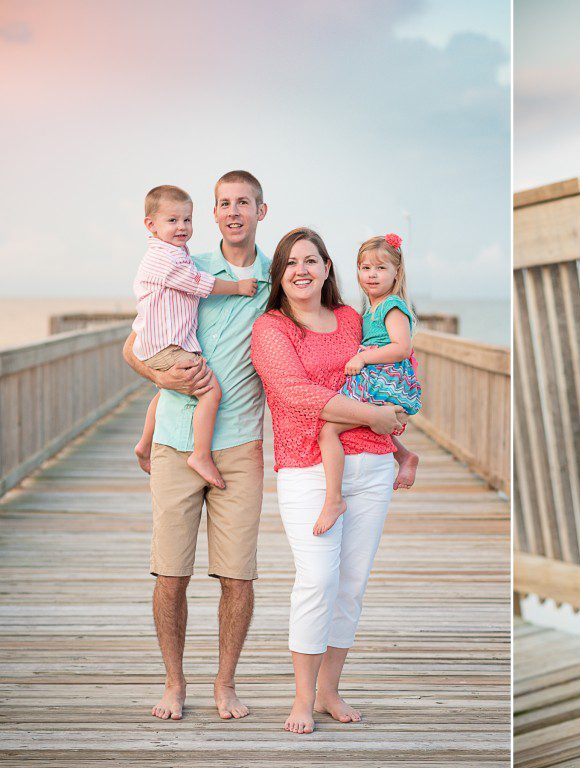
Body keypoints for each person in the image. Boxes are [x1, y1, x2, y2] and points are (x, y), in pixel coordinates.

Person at [250, 227, 414, 734]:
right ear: (279, 274)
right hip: (306, 467)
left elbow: (390, 369)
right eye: (290, 262)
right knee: (317, 580)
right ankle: (301, 697)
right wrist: (373, 414)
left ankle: (329, 691)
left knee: (351, 586)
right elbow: (294, 392)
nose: (301, 270)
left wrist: (397, 436)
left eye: (311, 260)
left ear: (326, 268)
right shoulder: (271, 329)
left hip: (372, 465)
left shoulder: (351, 319)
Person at [122, 170, 272, 722]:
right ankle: (174, 682)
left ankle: (225, 683)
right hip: (173, 442)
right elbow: (132, 348)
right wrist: (163, 380)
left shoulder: (276, 280)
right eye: (223, 204)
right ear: (213, 214)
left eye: (244, 203)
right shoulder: (185, 263)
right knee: (170, 574)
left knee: (238, 575)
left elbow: (321, 328)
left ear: (261, 210)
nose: (233, 212)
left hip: (241, 445)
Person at [131, 185, 257, 488]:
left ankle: (144, 442)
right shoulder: (164, 258)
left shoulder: (176, 253)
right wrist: (238, 287)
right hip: (166, 346)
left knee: (166, 392)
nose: (182, 227)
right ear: (151, 225)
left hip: (162, 344)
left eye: (187, 220)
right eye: (172, 221)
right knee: (211, 391)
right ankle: (200, 455)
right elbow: (200, 283)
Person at [314, 232, 421, 536]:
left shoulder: (393, 307)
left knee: (328, 428)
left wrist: (363, 359)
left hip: (382, 379)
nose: (372, 274)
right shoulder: (370, 308)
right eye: (365, 268)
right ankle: (404, 455)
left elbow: (402, 347)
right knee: (369, 422)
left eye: (381, 268)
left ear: (396, 272)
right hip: (375, 378)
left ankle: (333, 500)